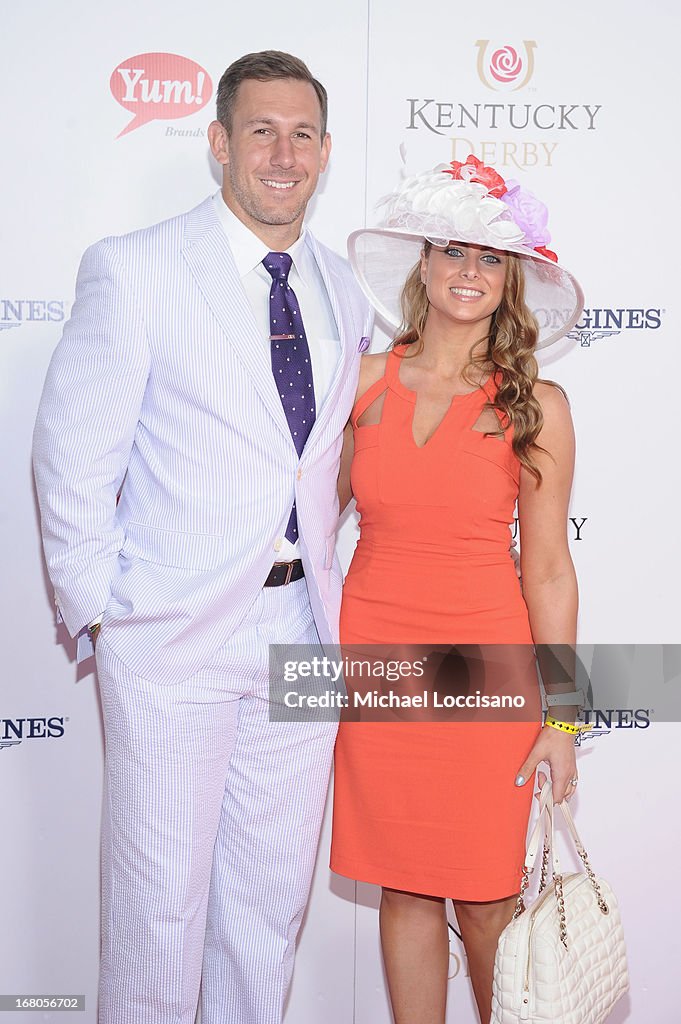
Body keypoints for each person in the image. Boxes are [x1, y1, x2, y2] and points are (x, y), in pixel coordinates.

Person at [32, 50, 371, 1024]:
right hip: (173, 635)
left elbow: (319, 468)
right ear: (219, 143)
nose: (283, 153)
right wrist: (110, 616)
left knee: (267, 912)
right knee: (159, 910)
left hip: (304, 633)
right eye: (261, 130)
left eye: (302, 133)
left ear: (326, 151)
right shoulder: (134, 269)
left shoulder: (344, 290)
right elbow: (70, 459)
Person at [330, 157, 585, 1024]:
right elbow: (306, 527)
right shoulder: (360, 384)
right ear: (423, 266)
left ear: (508, 279)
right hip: (378, 663)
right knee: (403, 889)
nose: (468, 272)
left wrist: (563, 716)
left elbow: (547, 567)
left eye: (488, 259)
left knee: (483, 900)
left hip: (486, 671)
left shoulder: (535, 404)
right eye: (451, 252)